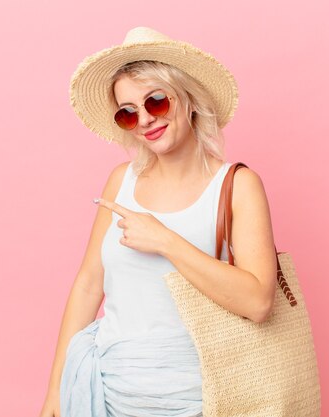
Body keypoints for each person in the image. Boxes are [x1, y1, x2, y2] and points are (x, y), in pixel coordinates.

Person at [39, 26, 277, 417]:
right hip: (108, 395)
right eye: (128, 113)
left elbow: (258, 302)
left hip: (199, 400)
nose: (146, 120)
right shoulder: (121, 180)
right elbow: (87, 285)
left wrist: (165, 240)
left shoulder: (236, 186)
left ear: (188, 100)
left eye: (157, 102)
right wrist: (55, 391)